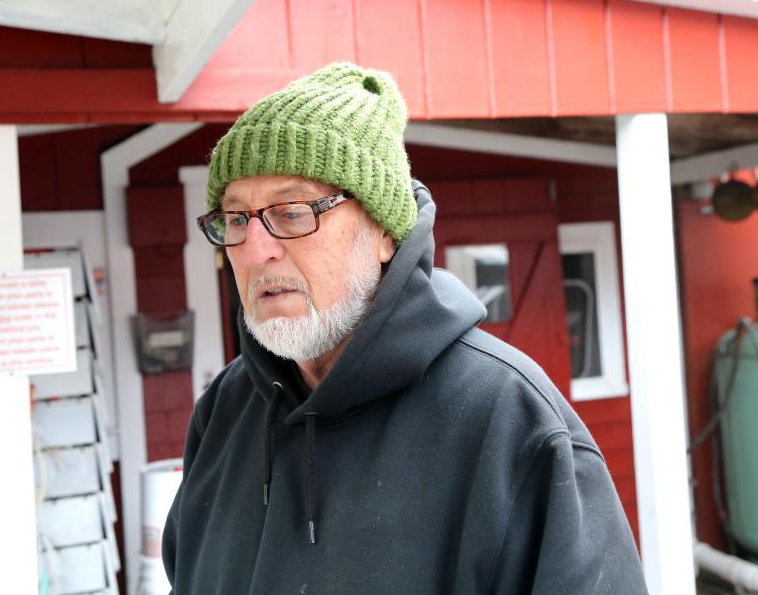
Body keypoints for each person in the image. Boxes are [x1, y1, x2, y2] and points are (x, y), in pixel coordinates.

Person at [162, 62, 649, 594]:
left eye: (294, 210)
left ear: (384, 232)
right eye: (236, 219)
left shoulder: (508, 419)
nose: (256, 250)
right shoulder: (225, 412)